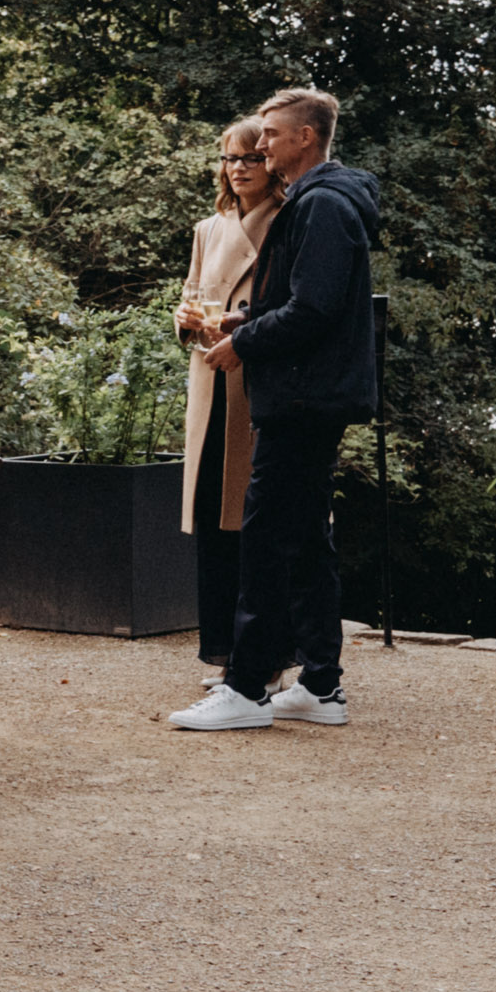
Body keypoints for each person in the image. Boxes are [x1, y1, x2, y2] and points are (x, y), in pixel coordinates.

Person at [173, 87, 380, 733]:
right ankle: (321, 684)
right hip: (310, 393)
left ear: (306, 139)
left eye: (269, 134)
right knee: (302, 537)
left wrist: (244, 341)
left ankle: (246, 688)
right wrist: (247, 317)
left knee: (262, 535)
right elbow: (302, 297)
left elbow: (314, 309)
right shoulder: (324, 202)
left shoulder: (320, 205)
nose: (258, 146)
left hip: (300, 396)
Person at [177, 117, 280, 664]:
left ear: (271, 163)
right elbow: (192, 295)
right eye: (229, 159)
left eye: (250, 158)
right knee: (212, 517)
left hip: (257, 382)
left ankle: (259, 656)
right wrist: (185, 317)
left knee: (252, 522)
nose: (238, 168)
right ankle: (217, 652)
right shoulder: (208, 229)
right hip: (210, 383)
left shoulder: (287, 222)